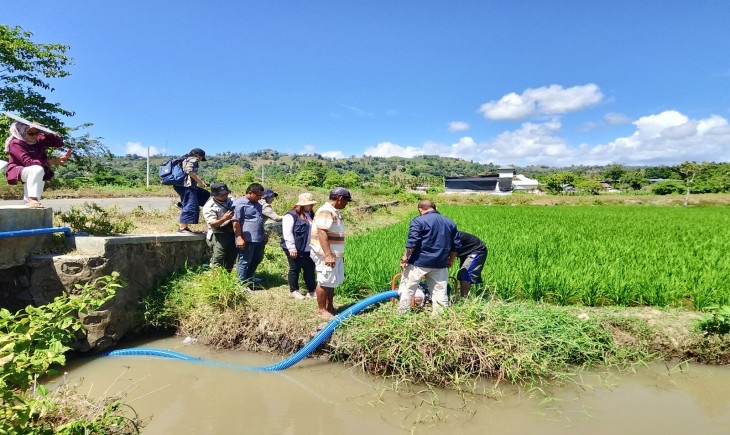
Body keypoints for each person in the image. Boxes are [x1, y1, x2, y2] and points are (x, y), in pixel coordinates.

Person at [398, 200, 461, 314]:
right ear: (434, 208)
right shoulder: (449, 222)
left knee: (408, 288)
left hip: (419, 262)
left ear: (420, 210)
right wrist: (451, 260)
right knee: (440, 291)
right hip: (440, 263)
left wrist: (405, 258)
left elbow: (412, 243)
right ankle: (440, 318)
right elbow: (455, 246)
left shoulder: (418, 220)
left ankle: (403, 314)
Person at [4, 122, 71, 208]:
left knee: (32, 203)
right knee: (37, 169)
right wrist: (51, 162)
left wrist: (45, 132)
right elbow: (28, 162)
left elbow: (59, 143)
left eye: (37, 133)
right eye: (31, 133)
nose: (35, 136)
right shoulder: (15, 143)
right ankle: (32, 199)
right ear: (21, 132)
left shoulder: (37, 140)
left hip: (36, 172)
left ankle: (30, 204)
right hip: (19, 170)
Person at [310, 187, 352, 319]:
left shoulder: (334, 211)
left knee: (331, 281)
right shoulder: (326, 211)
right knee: (324, 280)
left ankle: (330, 307)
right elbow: (322, 232)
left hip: (333, 254)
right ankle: (322, 310)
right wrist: (328, 254)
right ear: (340, 198)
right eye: (346, 200)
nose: (347, 203)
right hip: (325, 254)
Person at [281, 192, 318, 300]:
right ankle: (294, 290)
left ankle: (311, 291)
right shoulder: (291, 215)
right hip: (295, 247)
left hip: (308, 248)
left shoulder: (310, 215)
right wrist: (292, 247)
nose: (312, 206)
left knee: (310, 269)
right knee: (295, 268)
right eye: (309, 204)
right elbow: (287, 233)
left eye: (312, 204)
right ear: (302, 204)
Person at [232, 183, 266, 288]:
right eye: (258, 195)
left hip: (259, 237)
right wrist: (239, 237)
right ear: (250, 193)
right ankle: (241, 284)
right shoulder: (239, 204)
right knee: (245, 260)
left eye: (261, 195)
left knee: (257, 258)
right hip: (247, 238)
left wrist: (263, 233)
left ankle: (249, 277)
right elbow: (235, 222)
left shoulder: (257, 203)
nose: (260, 198)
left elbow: (258, 220)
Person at [173, 148, 210, 233]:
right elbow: (189, 171)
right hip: (186, 186)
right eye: (201, 158)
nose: (200, 160)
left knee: (205, 194)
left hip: (184, 186)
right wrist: (200, 181)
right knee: (190, 205)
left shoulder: (186, 159)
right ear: (199, 155)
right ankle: (183, 228)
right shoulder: (193, 159)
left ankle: (183, 205)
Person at [203, 183, 236, 271]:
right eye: (222, 194)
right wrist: (224, 218)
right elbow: (213, 224)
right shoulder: (209, 207)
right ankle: (216, 278)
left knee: (231, 255)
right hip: (218, 233)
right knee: (219, 257)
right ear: (215, 195)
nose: (225, 196)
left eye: (226, 193)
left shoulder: (231, 199)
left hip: (231, 231)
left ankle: (227, 276)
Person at [455, 231, 488, 298]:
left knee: (464, 275)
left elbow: (451, 253)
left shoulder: (450, 237)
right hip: (464, 252)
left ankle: (464, 300)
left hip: (476, 250)